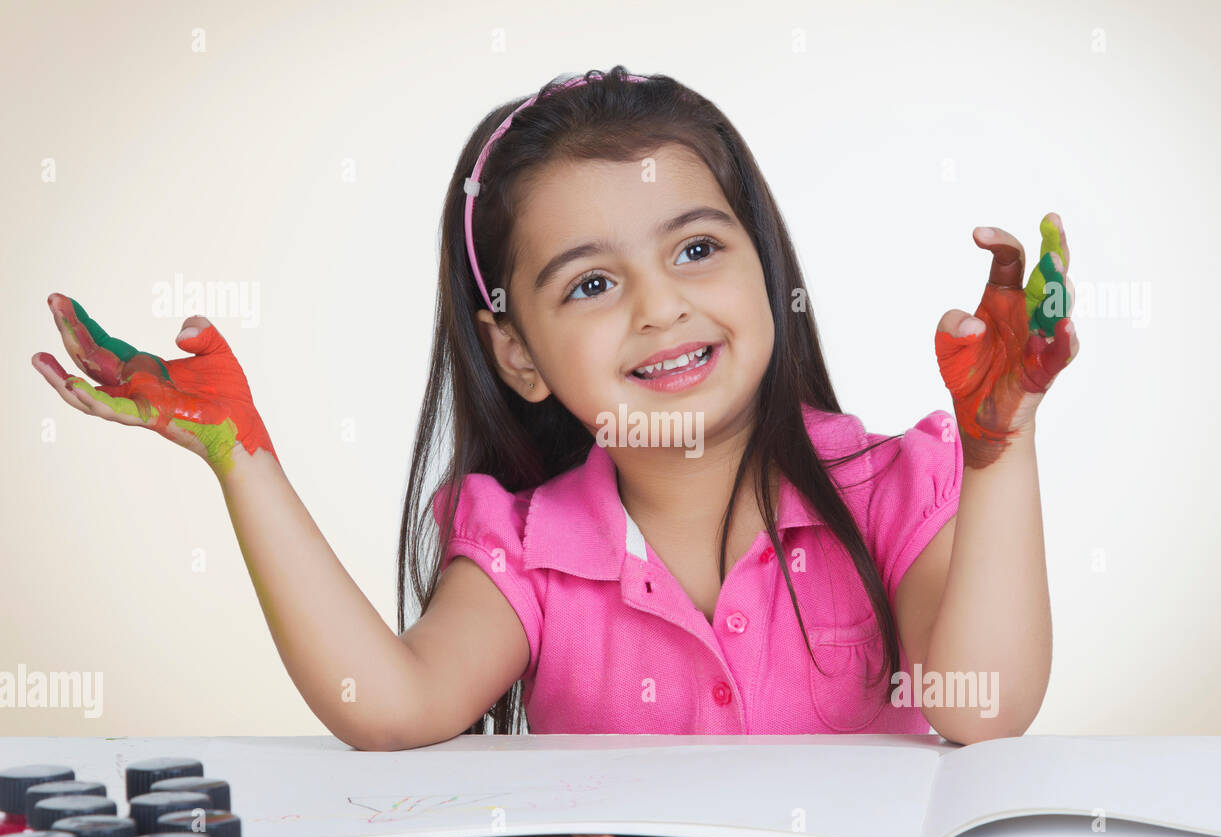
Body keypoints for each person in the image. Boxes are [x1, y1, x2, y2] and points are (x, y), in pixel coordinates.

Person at [31, 68, 1078, 765]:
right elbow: (389, 703)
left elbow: (982, 706)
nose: (661, 303)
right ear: (517, 353)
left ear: (767, 267)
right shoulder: (526, 551)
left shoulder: (889, 491)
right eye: (589, 284)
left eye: (696, 249)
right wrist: (242, 458)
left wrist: (1001, 444)